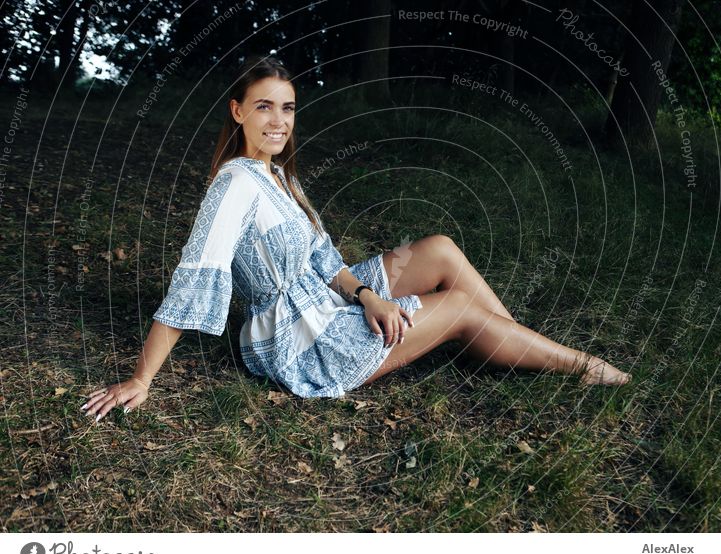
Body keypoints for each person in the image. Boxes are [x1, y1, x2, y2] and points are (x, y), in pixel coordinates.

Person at [81, 55, 631, 422]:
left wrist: (368, 295)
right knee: (459, 304)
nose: (279, 120)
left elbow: (323, 259)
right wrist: (140, 378)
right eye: (264, 106)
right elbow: (195, 277)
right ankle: (575, 365)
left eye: (288, 107)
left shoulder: (279, 175)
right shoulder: (235, 184)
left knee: (438, 247)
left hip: (324, 296)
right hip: (297, 339)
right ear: (238, 111)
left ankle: (508, 341)